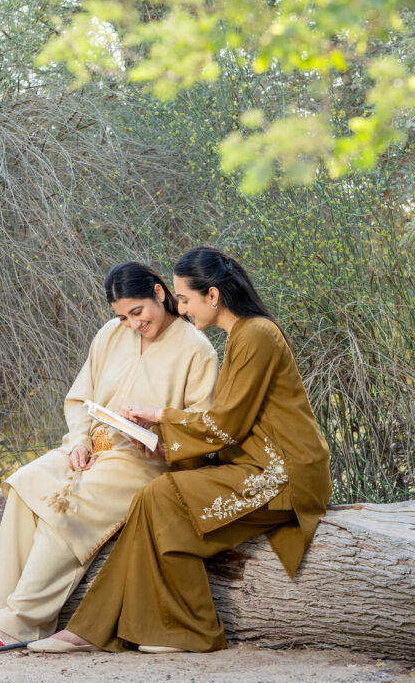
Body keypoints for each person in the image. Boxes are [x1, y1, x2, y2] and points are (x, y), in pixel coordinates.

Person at [27, 246, 332, 654]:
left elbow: (226, 424)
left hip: (284, 473)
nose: (182, 309)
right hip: (254, 464)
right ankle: (124, 628)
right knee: (155, 497)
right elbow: (228, 426)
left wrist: (159, 415)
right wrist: (164, 448)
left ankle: (179, 629)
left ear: (213, 296)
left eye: (185, 299)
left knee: (162, 494)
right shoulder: (243, 336)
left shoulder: (256, 335)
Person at [0, 260, 218, 655]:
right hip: (90, 449)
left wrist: (161, 442)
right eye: (123, 316)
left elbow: (203, 427)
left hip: (142, 463)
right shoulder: (110, 335)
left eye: (137, 312)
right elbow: (79, 399)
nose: (132, 324)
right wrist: (78, 441)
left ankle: (19, 622)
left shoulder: (197, 350)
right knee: (25, 485)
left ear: (159, 294)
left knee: (69, 506)